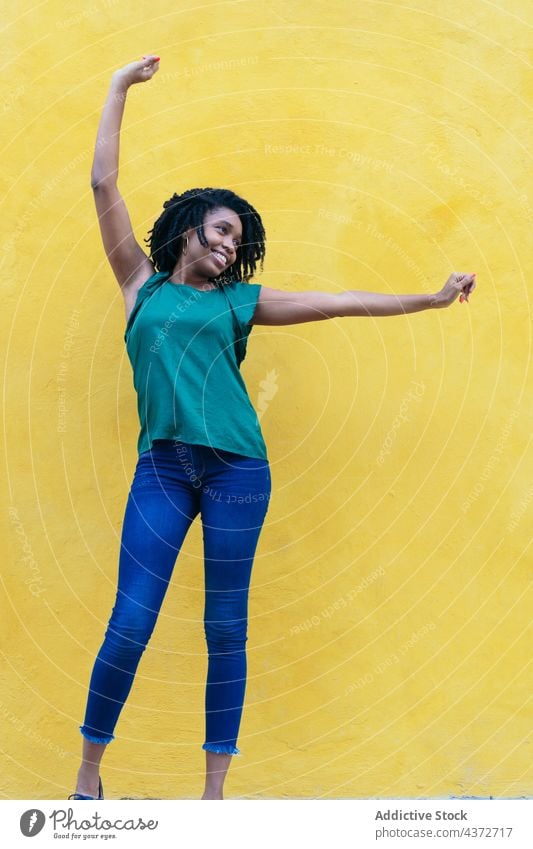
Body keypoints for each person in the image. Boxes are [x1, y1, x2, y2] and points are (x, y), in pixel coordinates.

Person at [69, 54, 477, 802]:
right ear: (188, 227)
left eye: (239, 239)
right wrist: (118, 87)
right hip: (161, 466)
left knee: (226, 626)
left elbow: (341, 300)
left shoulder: (240, 302)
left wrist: (428, 297)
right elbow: (102, 184)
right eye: (221, 229)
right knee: (130, 619)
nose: (230, 244)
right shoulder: (139, 283)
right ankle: (88, 778)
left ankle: (213, 796)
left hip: (236, 472)